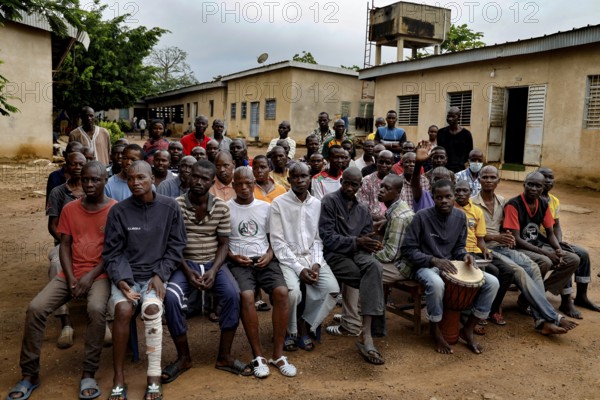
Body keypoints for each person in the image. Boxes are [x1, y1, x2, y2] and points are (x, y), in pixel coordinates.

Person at [6, 162, 116, 400]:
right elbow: (64, 245)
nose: (89, 184)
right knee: (35, 308)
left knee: (96, 310)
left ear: (105, 181)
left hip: (99, 274)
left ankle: (89, 371)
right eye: (85, 179)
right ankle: (30, 373)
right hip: (70, 273)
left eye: (95, 180)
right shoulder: (70, 208)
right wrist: (71, 278)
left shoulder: (114, 210)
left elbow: (112, 253)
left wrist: (88, 277)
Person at [103, 161, 186, 400]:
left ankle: (153, 375)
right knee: (122, 310)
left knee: (151, 309)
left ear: (152, 179)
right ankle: (119, 376)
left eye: (141, 177)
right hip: (127, 277)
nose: (135, 183)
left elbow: (177, 245)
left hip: (155, 277)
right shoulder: (118, 211)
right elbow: (112, 252)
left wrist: (160, 275)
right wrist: (121, 281)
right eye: (130, 178)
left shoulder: (169, 207)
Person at [161, 161, 251, 383]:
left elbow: (223, 244)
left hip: (213, 263)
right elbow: (171, 244)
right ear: (189, 176)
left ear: (212, 182)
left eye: (204, 179)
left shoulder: (221, 207)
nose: (198, 182)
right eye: (195, 177)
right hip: (185, 263)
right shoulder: (175, 206)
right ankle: (183, 358)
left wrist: (213, 269)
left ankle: (224, 356)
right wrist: (188, 271)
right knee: (171, 298)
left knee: (232, 294)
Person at [472, 166, 577, 334]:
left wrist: (556, 247)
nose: (489, 180)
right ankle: (553, 317)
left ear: (499, 181)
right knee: (519, 271)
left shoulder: (502, 201)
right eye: (485, 177)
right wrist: (495, 237)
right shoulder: (471, 203)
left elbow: (514, 232)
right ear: (479, 179)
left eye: (493, 177)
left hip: (504, 247)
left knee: (534, 267)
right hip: (484, 248)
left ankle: (543, 320)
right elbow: (469, 235)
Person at [401, 179, 499, 354]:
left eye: (448, 196)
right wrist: (433, 260)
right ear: (433, 198)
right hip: (425, 266)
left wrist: (465, 256)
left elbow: (459, 248)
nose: (444, 201)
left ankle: (468, 328)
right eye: (439, 197)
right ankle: (435, 329)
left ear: (454, 197)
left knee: (492, 282)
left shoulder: (460, 216)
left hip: (452, 265)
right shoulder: (421, 217)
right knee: (436, 283)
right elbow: (408, 250)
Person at [227, 167, 296, 378]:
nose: (244, 188)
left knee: (282, 292)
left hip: (264, 259)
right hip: (239, 261)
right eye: (239, 184)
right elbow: (220, 243)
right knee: (246, 296)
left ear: (254, 183)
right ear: (233, 185)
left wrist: (270, 253)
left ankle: (278, 353)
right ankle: (258, 355)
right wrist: (233, 257)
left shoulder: (265, 207)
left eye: (248, 183)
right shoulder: (226, 208)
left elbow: (275, 237)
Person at [270, 162, 340, 352]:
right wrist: (299, 269)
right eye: (295, 176)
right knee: (293, 293)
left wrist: (316, 264)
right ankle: (290, 331)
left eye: (304, 176)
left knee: (332, 289)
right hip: (288, 259)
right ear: (289, 179)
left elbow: (318, 238)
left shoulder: (317, 204)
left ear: (310, 178)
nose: (300, 181)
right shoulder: (279, 204)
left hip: (313, 258)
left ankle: (305, 323)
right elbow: (277, 242)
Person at [319, 167, 385, 364]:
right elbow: (327, 237)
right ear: (341, 181)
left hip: (357, 252)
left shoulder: (362, 209)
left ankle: (365, 332)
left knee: (375, 267)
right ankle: (369, 331)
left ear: (360, 186)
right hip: (335, 254)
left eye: (354, 184)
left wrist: (371, 244)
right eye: (346, 182)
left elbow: (366, 237)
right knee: (365, 279)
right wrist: (357, 241)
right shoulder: (329, 202)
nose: (349, 187)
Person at [502, 172, 580, 320]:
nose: (533, 188)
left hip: (535, 245)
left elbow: (550, 233)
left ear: (543, 188)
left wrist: (558, 249)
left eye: (538, 185)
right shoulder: (513, 205)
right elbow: (516, 239)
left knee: (573, 259)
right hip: (518, 247)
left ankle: (530, 298)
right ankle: (533, 299)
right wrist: (546, 253)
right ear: (524, 185)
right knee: (545, 261)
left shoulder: (544, 204)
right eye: (530, 184)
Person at [538, 167, 600, 316]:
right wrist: (557, 248)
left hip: (552, 240)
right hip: (539, 242)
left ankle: (581, 297)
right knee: (567, 257)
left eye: (550, 177)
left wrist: (558, 243)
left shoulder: (554, 201)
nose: (547, 180)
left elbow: (556, 226)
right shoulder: (532, 198)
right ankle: (566, 301)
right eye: (543, 177)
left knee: (583, 253)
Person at [454, 180, 515, 327]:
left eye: (465, 191)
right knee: (493, 271)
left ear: (470, 193)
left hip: (476, 250)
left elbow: (480, 238)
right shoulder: (451, 209)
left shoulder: (476, 211)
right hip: (462, 251)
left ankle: (491, 310)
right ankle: (475, 312)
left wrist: (485, 251)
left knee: (508, 271)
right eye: (457, 191)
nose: (461, 194)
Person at [46, 152, 86, 349]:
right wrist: (67, 243)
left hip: (91, 244)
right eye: (73, 164)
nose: (77, 167)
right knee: (56, 263)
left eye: (81, 164)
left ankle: (104, 320)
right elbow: (52, 225)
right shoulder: (58, 192)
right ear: (66, 167)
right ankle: (65, 323)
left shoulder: (94, 190)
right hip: (64, 243)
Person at [357, 149, 394, 223]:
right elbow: (361, 206)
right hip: (370, 221)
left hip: (392, 220)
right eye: (381, 162)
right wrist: (376, 217)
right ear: (376, 162)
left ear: (392, 164)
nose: (384, 165)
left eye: (387, 163)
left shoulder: (396, 182)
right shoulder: (366, 181)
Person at [46, 141, 84, 206]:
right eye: (71, 153)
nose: (75, 157)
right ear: (64, 155)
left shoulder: (88, 178)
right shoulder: (54, 177)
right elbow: (51, 205)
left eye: (78, 154)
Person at [436, 107, 473, 173]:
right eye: (448, 116)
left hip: (460, 169)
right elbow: (439, 150)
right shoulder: (441, 132)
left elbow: (469, 153)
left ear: (458, 117)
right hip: (443, 168)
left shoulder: (466, 134)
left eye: (453, 116)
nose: (450, 119)